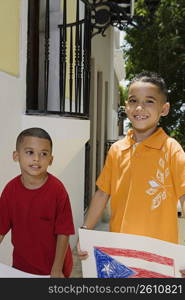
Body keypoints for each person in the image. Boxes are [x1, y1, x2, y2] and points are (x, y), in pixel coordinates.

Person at [77, 71, 185, 277]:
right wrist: (85, 231)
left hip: (159, 255)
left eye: (149, 101)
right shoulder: (117, 150)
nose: (139, 108)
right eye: (133, 101)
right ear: (126, 106)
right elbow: (102, 193)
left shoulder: (172, 149)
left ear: (164, 109)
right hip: (120, 252)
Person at [0, 127, 75, 277]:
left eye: (43, 154)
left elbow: (63, 233)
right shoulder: (10, 190)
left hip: (54, 270)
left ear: (51, 160)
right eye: (30, 152)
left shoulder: (57, 190)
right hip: (22, 268)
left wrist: (56, 269)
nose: (36, 158)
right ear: (16, 156)